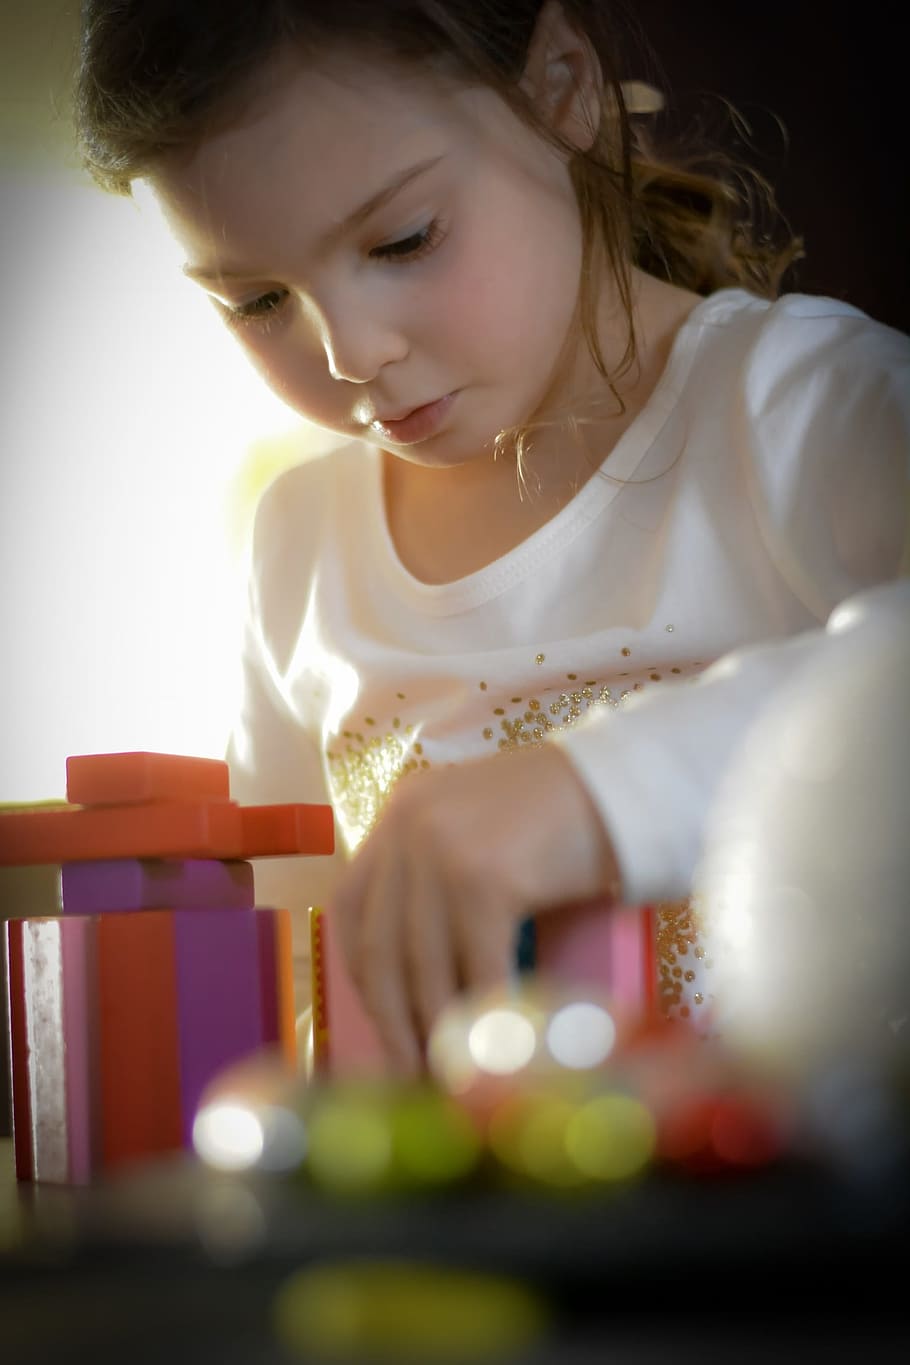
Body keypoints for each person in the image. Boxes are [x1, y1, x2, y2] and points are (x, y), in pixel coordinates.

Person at [75, 0, 909, 1076]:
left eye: (402, 239)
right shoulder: (297, 545)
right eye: (259, 299)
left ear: (560, 85)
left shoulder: (800, 402)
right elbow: (288, 974)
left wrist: (596, 790)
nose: (353, 352)